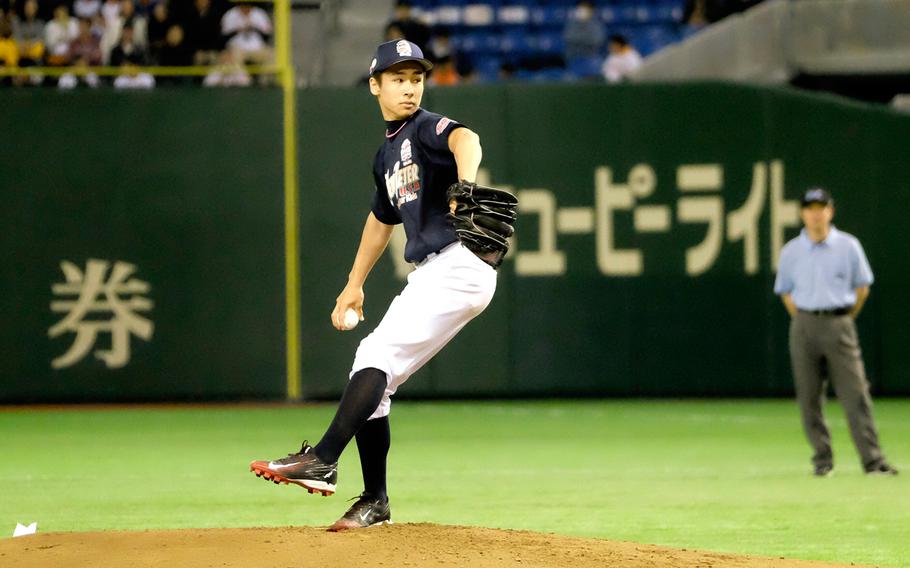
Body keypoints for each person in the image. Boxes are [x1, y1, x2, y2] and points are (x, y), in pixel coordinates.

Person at [251, 39, 499, 531]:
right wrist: (353, 284)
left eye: (416, 79)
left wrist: (465, 186)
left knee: (375, 357)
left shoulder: (426, 128)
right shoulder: (387, 154)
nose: (409, 88)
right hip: (437, 271)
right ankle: (374, 501)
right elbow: (380, 219)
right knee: (375, 379)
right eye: (398, 79)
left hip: (459, 262)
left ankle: (322, 458)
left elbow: (466, 139)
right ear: (375, 85)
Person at [774, 188, 898, 477]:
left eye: (821, 208)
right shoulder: (792, 250)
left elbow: (862, 288)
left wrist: (842, 318)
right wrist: (805, 317)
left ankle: (873, 461)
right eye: (810, 208)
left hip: (839, 322)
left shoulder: (848, 246)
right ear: (803, 213)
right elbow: (785, 292)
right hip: (804, 324)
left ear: (831, 211)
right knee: (809, 397)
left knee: (855, 395)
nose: (816, 214)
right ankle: (822, 460)